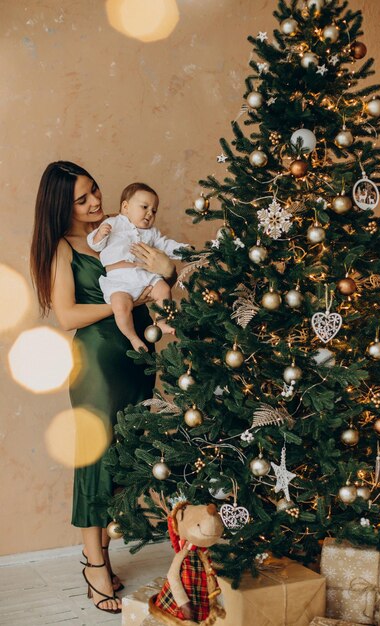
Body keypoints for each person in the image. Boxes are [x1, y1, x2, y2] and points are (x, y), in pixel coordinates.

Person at [30, 161, 177, 614]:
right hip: (96, 361)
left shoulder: (125, 229)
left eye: (95, 191)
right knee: (95, 458)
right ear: (62, 206)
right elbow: (68, 316)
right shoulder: (63, 247)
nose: (95, 202)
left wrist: (165, 271)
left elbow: (164, 280)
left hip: (136, 358)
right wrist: (122, 304)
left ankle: (105, 550)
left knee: (126, 456)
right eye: (82, 199)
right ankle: (95, 563)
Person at [87, 182, 188, 351]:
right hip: (119, 279)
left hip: (143, 275)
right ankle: (133, 337)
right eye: (144, 207)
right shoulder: (112, 223)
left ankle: (162, 321)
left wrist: (185, 251)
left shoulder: (152, 232)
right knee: (120, 306)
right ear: (125, 207)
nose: (150, 213)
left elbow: (166, 245)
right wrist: (99, 235)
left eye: (154, 211)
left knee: (163, 289)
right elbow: (94, 245)